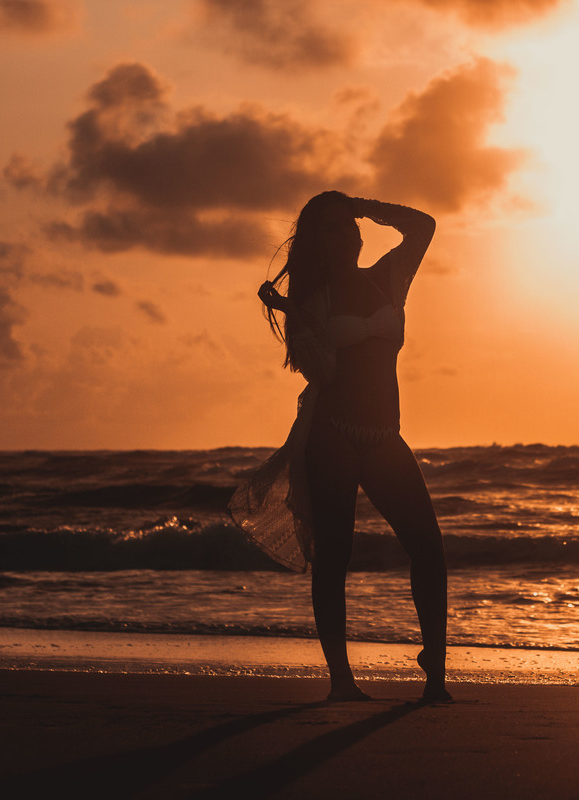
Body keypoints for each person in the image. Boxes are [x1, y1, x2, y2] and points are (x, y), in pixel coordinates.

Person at [230, 191, 449, 703]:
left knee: (428, 550)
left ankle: (435, 677)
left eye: (348, 225)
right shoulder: (312, 300)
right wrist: (296, 315)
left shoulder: (389, 277)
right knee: (336, 556)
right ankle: (342, 682)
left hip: (384, 435)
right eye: (331, 228)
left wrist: (357, 202)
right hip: (332, 432)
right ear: (317, 244)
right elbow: (320, 371)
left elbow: (423, 226)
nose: (346, 233)